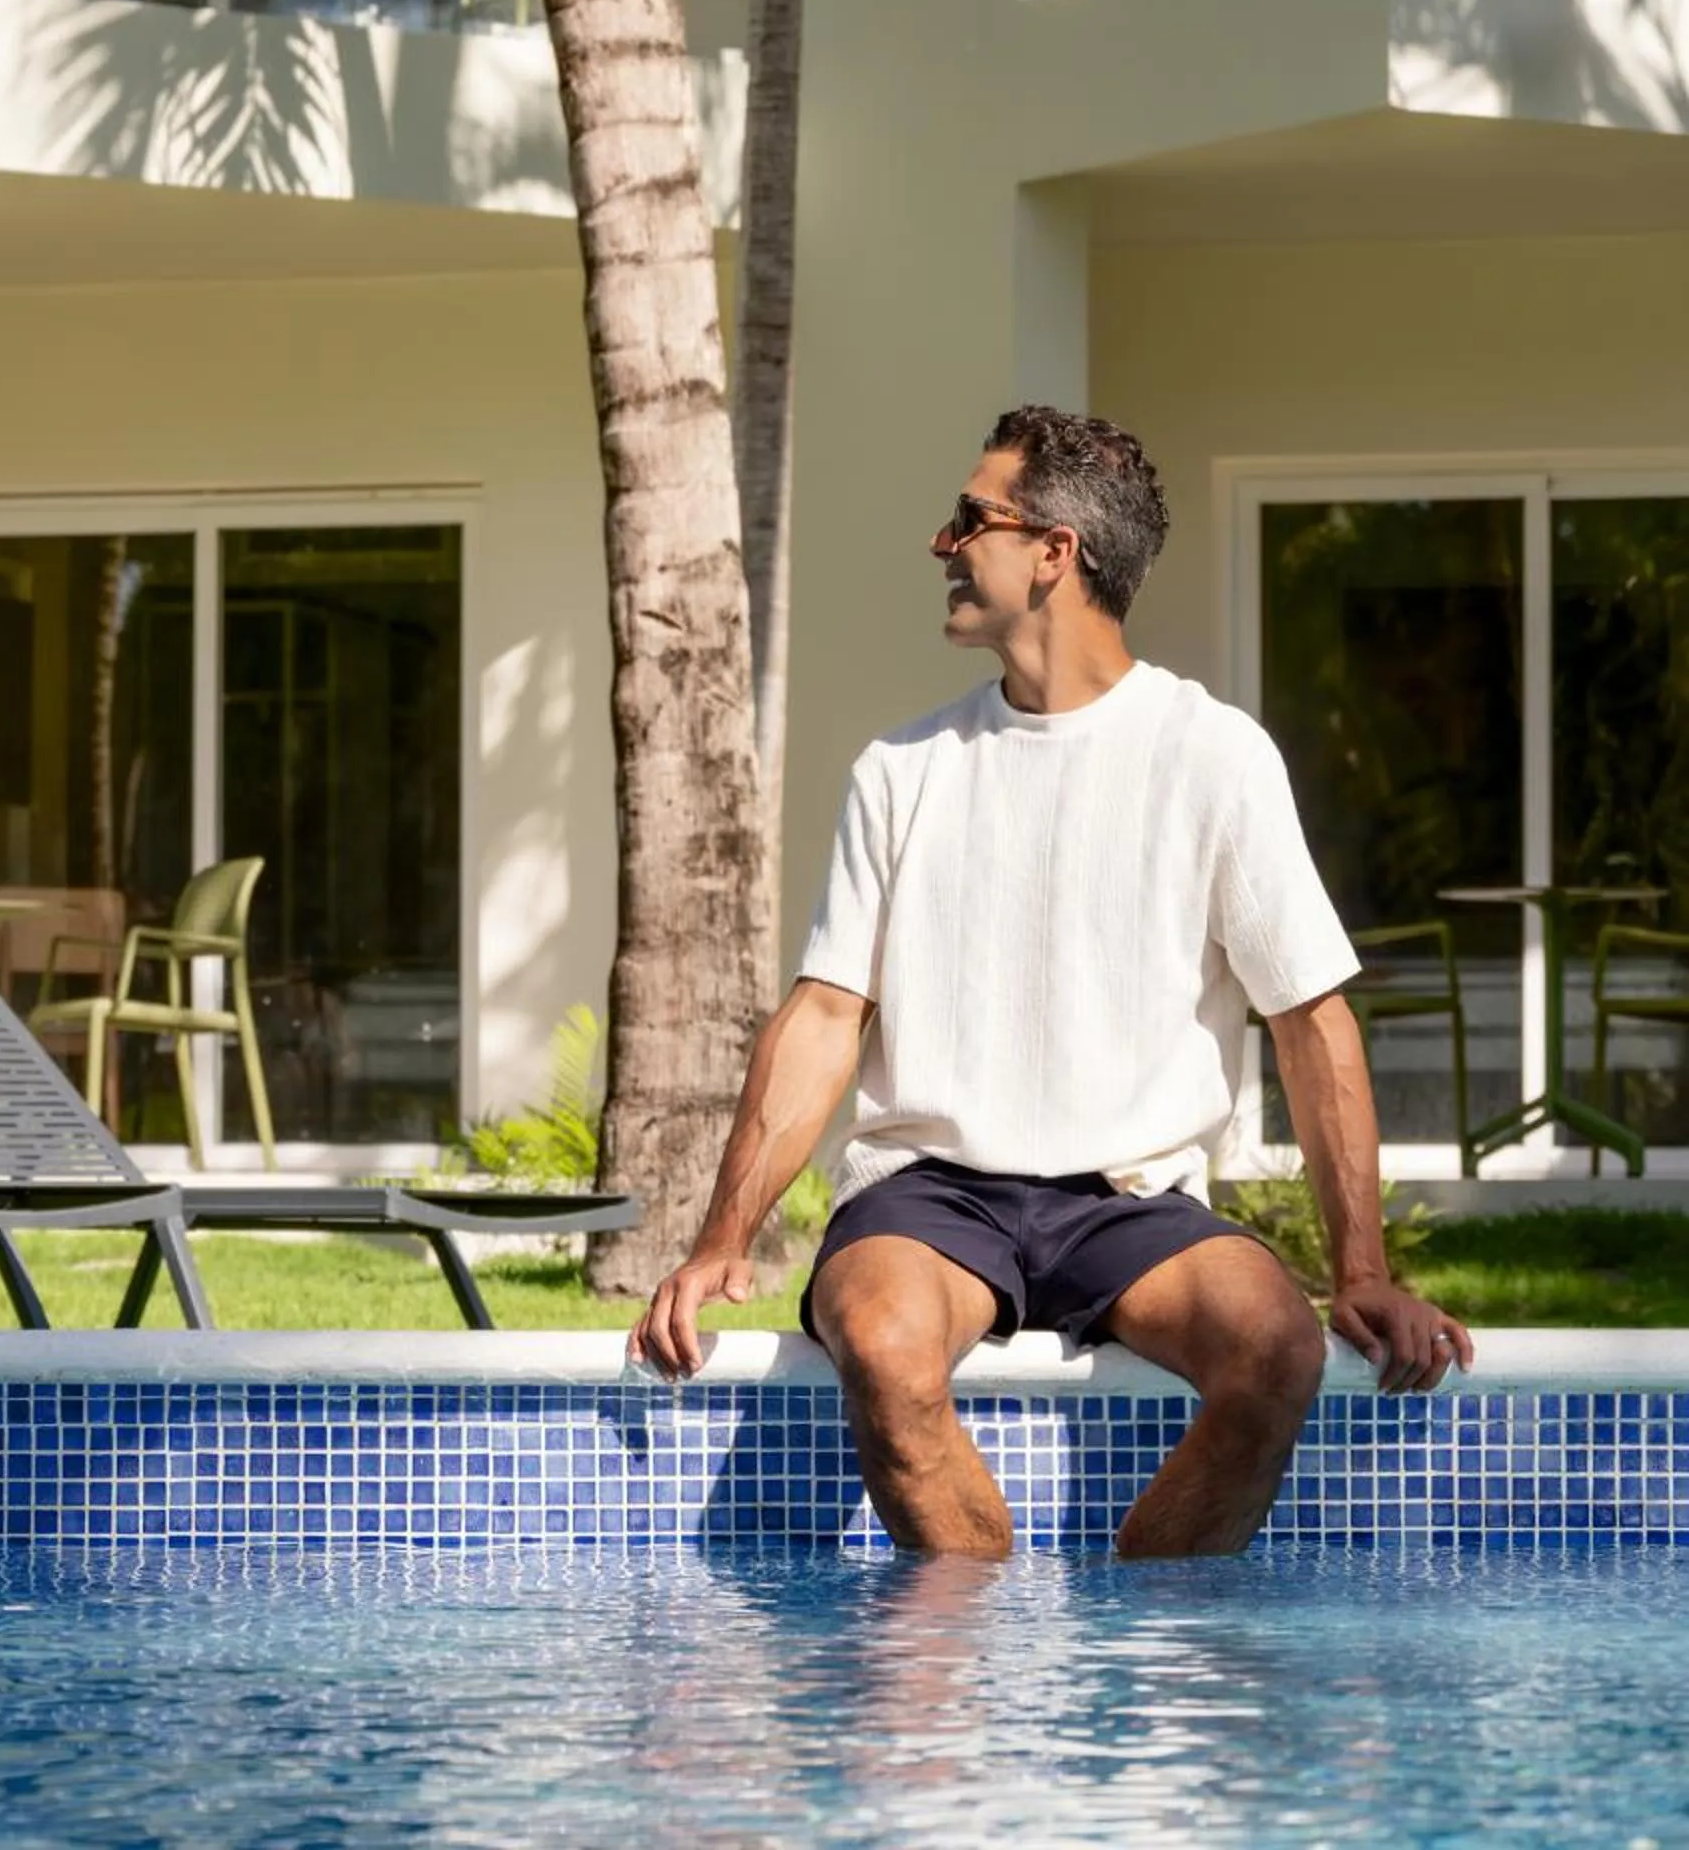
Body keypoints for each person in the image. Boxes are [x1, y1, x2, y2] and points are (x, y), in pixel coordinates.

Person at [628, 406, 1472, 1557]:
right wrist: (725, 1232)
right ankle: (981, 1668)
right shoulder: (901, 769)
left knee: (1277, 1349)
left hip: (1133, 1204)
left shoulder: (1213, 756)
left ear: (1054, 552)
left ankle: (1138, 1655)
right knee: (881, 1344)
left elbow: (1309, 1020)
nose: (945, 542)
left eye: (973, 517)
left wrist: (1362, 1271)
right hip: (931, 1194)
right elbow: (826, 1013)